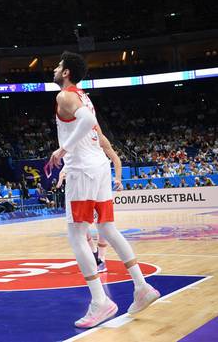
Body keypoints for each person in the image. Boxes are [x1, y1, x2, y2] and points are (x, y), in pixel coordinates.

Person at [48, 51, 160, 328]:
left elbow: (86, 122)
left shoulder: (65, 96)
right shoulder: (84, 95)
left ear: (66, 73)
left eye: (58, 65)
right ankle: (142, 287)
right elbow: (94, 131)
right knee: (108, 229)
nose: (54, 68)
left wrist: (64, 150)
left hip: (83, 171)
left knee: (77, 234)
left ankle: (100, 301)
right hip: (97, 167)